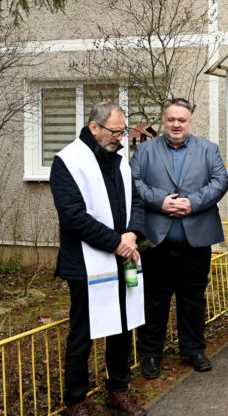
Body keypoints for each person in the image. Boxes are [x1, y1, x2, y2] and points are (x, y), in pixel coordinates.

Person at [50, 102, 147, 416]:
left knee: (122, 328)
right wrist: (116, 242)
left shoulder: (119, 161)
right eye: (115, 132)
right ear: (94, 127)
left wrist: (133, 233)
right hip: (85, 264)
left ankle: (118, 391)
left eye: (122, 131)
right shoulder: (68, 162)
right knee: (83, 334)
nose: (120, 138)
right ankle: (76, 401)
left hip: (123, 257)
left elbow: (137, 202)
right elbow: (73, 217)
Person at [130, 98, 228, 379]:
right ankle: (151, 354)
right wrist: (160, 200)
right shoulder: (145, 150)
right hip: (155, 242)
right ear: (164, 120)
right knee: (154, 300)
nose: (176, 124)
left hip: (195, 241)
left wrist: (192, 203)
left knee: (193, 299)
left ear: (190, 121)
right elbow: (133, 182)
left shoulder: (209, 149)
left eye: (181, 120)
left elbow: (220, 181)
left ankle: (193, 349)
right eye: (171, 119)